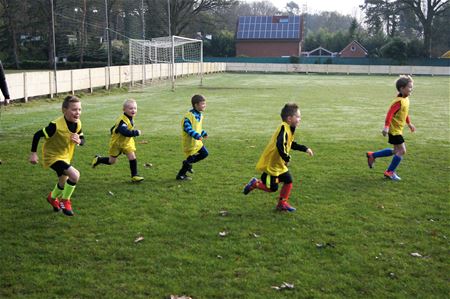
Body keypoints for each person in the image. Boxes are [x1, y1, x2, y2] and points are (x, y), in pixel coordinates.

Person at [243, 103, 314, 212]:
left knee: (288, 180)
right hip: (271, 165)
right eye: (298, 116)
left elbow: (290, 144)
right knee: (272, 188)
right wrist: (286, 157)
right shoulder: (284, 129)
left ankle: (282, 204)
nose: (300, 119)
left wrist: (305, 149)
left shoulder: (289, 129)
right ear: (289, 119)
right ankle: (255, 183)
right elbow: (280, 144)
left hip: (279, 164)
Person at [29, 95, 84, 216]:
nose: (78, 112)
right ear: (64, 110)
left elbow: (82, 137)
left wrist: (79, 141)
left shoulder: (77, 123)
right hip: (52, 157)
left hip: (65, 156)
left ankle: (52, 198)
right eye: (74, 109)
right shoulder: (55, 126)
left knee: (62, 183)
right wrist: (33, 153)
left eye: (79, 109)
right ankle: (65, 201)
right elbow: (37, 135)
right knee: (75, 175)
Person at [366, 75, 416, 181]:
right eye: (409, 87)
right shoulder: (398, 101)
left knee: (396, 150)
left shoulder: (405, 99)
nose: (411, 89)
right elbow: (390, 114)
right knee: (402, 151)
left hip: (398, 130)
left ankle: (373, 155)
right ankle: (389, 172)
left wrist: (409, 123)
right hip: (394, 131)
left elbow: (404, 113)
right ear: (402, 88)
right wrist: (386, 127)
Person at [91, 99, 144, 182]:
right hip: (117, 143)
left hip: (126, 142)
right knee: (112, 161)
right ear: (124, 110)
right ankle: (99, 159)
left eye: (135, 108)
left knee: (132, 157)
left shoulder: (129, 118)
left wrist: (113, 130)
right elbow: (124, 132)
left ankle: (134, 176)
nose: (133, 110)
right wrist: (135, 132)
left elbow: (114, 128)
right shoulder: (123, 120)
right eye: (130, 108)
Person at [176, 94, 209, 180]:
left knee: (205, 154)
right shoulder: (188, 117)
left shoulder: (200, 115)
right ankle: (180, 175)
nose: (204, 105)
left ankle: (187, 163)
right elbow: (188, 129)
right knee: (190, 159)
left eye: (205, 103)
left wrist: (203, 133)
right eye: (202, 103)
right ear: (196, 105)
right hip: (190, 144)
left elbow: (197, 128)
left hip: (197, 143)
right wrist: (197, 135)